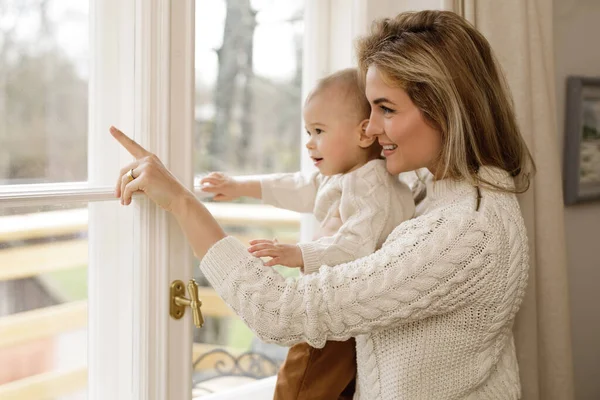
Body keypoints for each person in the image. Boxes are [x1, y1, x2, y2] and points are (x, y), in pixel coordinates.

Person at [110, 10, 535, 399]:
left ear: (445, 109)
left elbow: (281, 312)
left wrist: (183, 204)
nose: (369, 127)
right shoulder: (442, 191)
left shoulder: (464, 230)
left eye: (386, 109)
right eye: (369, 108)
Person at [199, 68, 415, 400]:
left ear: (362, 134)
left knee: (300, 380)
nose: (309, 142)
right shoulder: (345, 175)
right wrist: (239, 185)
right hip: (339, 305)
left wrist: (301, 253)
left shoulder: (369, 183)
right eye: (308, 131)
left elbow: (357, 246)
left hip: (340, 311)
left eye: (318, 131)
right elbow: (297, 186)